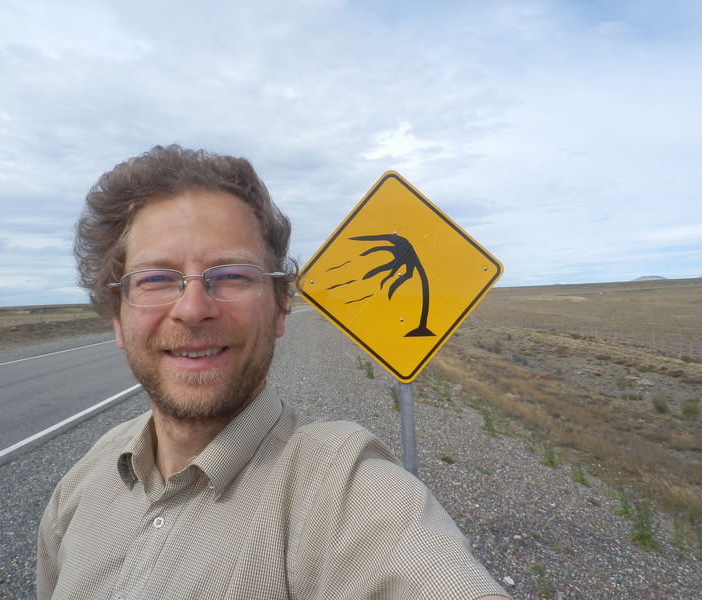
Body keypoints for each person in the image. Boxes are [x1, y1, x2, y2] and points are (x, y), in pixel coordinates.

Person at [37, 144, 510, 600]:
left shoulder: (343, 489)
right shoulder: (80, 487)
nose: (193, 308)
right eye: (156, 279)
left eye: (233, 275)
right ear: (118, 318)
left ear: (281, 307)